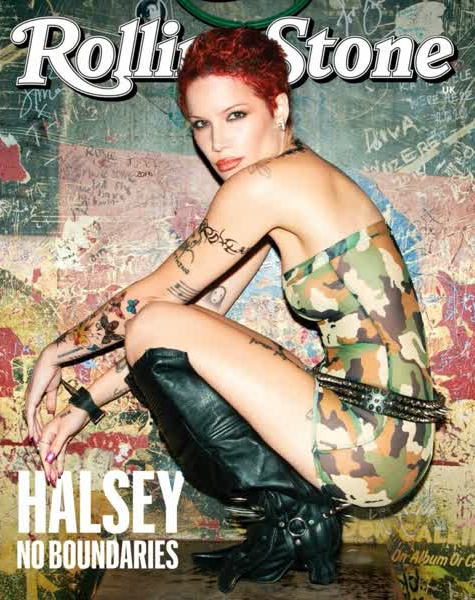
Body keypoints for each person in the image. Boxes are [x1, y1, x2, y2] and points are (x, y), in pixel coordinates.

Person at [24, 27, 445, 592]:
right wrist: (83, 406)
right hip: (391, 437)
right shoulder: (293, 179)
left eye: (236, 116)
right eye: (201, 124)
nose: (217, 141)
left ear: (279, 107)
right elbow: (194, 332)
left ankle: (293, 516)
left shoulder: (265, 186)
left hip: (371, 441)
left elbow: (149, 304)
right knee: (160, 327)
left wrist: (54, 355)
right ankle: (293, 516)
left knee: (150, 319)